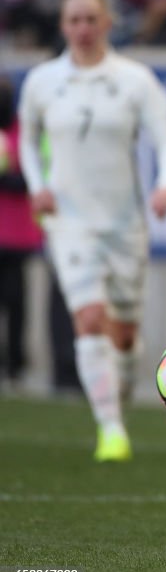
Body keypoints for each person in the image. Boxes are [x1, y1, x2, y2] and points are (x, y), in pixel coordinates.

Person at [18, 0, 166, 462]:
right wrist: (37, 184)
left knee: (125, 333)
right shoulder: (43, 82)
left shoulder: (135, 81)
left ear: (107, 23)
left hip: (124, 220)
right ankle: (110, 430)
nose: (83, 29)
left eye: (91, 19)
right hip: (68, 219)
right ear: (63, 26)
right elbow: (28, 140)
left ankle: (119, 402)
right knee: (89, 318)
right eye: (74, 20)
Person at [0, 76, 44, 391]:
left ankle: (15, 364)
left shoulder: (25, 132)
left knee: (16, 300)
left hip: (17, 232)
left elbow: (37, 174)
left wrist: (10, 179)